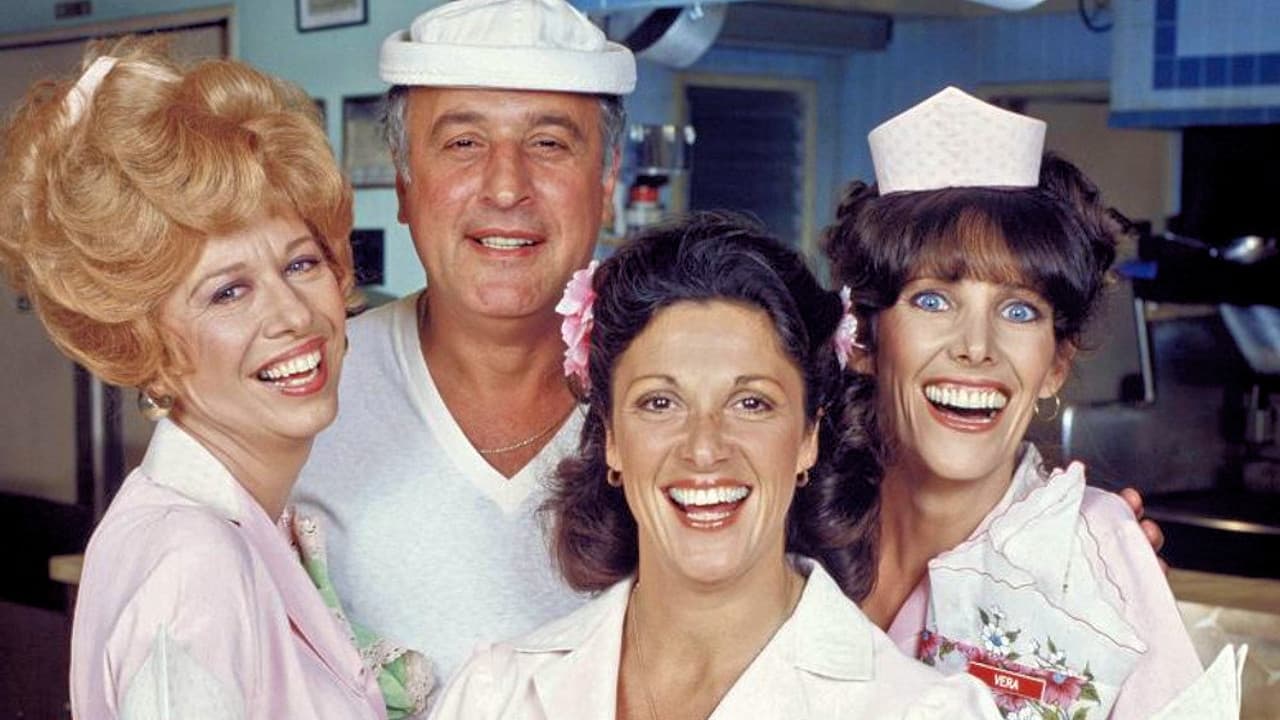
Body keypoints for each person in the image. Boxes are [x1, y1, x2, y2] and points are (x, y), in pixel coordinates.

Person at [429, 212, 1003, 719]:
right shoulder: (498, 694)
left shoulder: (921, 710)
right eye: (660, 403)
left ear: (807, 437)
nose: (704, 449)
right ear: (611, 441)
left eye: (751, 403)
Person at [0, 39, 386, 718]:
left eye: (301, 264)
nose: (293, 315)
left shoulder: (233, 525)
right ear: (145, 343)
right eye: (227, 293)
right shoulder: (191, 564)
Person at [824, 86, 1205, 719]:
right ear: (862, 336)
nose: (977, 347)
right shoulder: (794, 528)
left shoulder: (1096, 556)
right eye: (932, 300)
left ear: (1055, 363)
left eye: (1020, 310)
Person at [292, 0, 634, 686]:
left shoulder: (672, 399)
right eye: (463, 144)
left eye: (549, 143)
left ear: (606, 183)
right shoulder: (306, 392)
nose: (507, 186)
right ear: (403, 184)